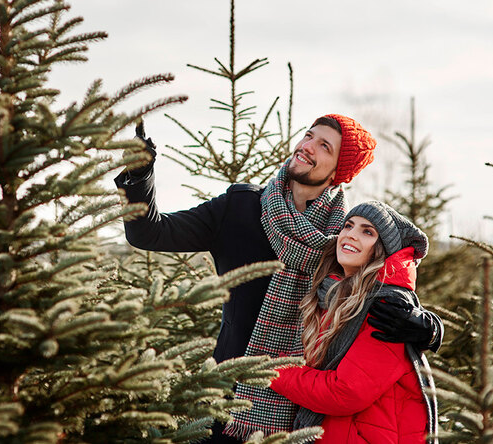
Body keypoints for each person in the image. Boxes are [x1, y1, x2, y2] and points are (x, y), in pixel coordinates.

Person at [115, 115, 443, 442]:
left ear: (337, 173)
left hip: (302, 413)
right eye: (308, 136)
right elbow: (151, 233)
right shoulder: (239, 208)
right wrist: (140, 174)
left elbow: (382, 289)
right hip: (224, 395)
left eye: (324, 146)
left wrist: (427, 328)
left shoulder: (342, 237)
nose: (306, 147)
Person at [267, 201, 438, 443]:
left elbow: (345, 392)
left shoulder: (388, 307)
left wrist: (271, 371)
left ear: (382, 249)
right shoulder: (330, 295)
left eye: (367, 231)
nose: (350, 235)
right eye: (348, 226)